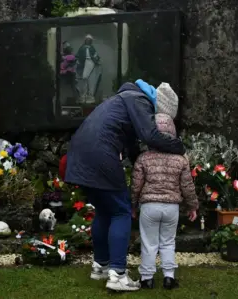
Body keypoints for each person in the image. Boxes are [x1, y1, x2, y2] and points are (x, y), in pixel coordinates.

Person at [64, 79, 186, 292]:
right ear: (160, 109)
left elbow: (132, 146)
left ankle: (100, 266)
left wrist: (145, 163)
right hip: (100, 155)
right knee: (121, 211)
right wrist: (179, 148)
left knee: (104, 211)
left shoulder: (125, 99)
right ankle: (118, 274)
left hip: (79, 155)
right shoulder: (139, 101)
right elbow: (150, 135)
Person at [131, 83, 198, 290]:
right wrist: (193, 206)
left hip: (149, 206)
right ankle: (169, 276)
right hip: (172, 208)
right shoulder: (180, 159)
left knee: (149, 243)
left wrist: (133, 204)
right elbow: (187, 186)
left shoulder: (143, 158)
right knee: (168, 242)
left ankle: (147, 278)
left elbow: (136, 185)